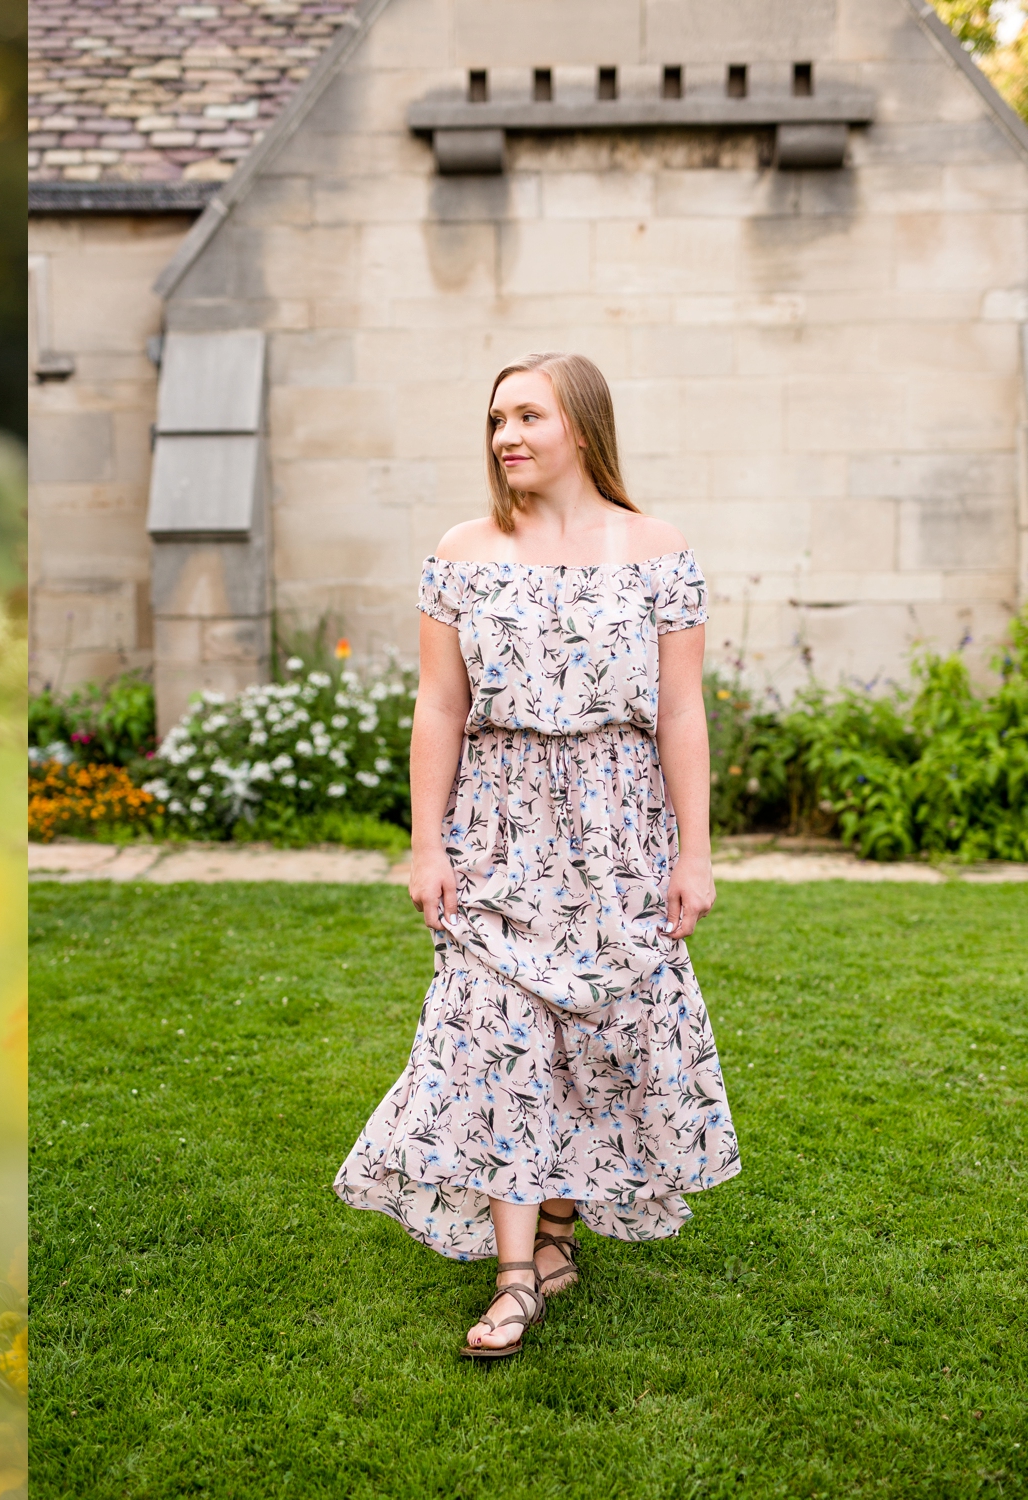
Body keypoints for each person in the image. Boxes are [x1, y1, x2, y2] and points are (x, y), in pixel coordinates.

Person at [332, 352, 739, 1358]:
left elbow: (681, 712)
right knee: (496, 1037)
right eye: (494, 419)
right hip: (496, 829)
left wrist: (694, 852)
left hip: (617, 832)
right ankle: (514, 1277)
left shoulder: (658, 550)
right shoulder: (462, 551)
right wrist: (423, 843)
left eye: (525, 416)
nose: (503, 435)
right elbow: (437, 705)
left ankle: (556, 1232)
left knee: (600, 1032)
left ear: (582, 429)